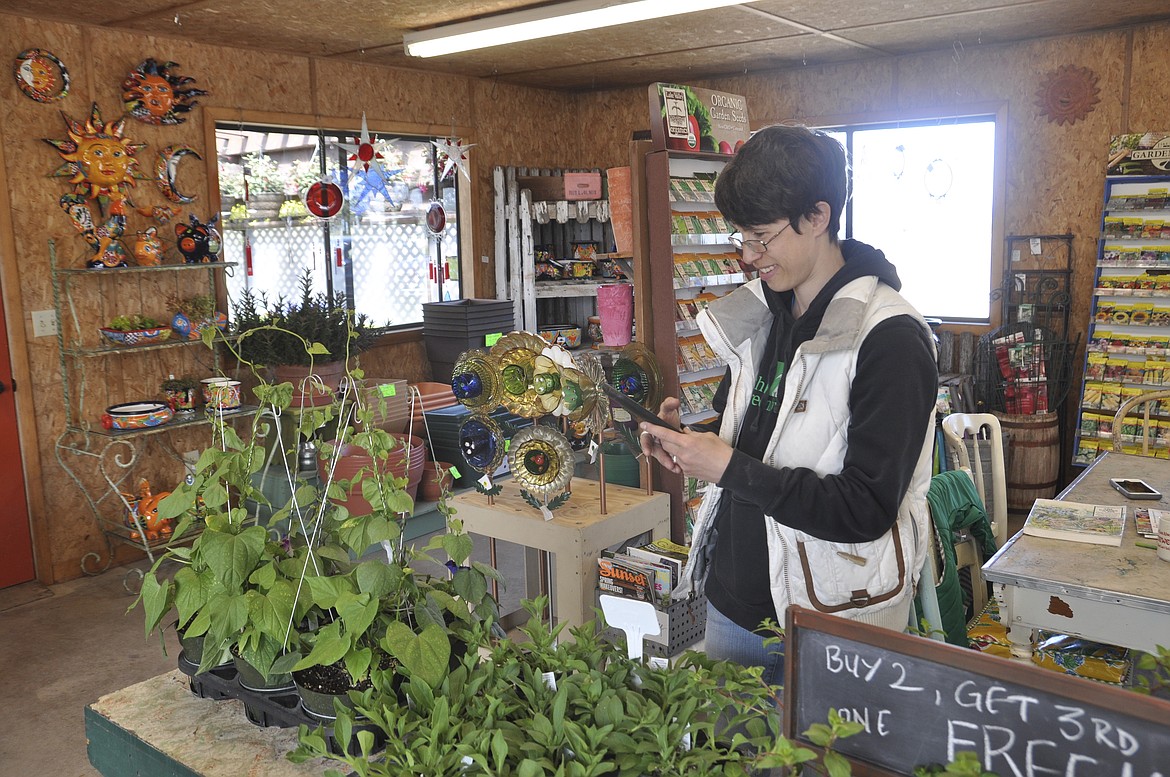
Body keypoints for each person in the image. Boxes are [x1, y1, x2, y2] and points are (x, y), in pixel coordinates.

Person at [639, 124, 938, 687]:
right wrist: (693, 442)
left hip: (831, 617)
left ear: (818, 216)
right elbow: (753, 441)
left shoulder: (890, 338)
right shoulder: (761, 316)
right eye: (741, 239)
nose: (750, 257)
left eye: (761, 238)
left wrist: (727, 467)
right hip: (733, 599)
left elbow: (866, 509)